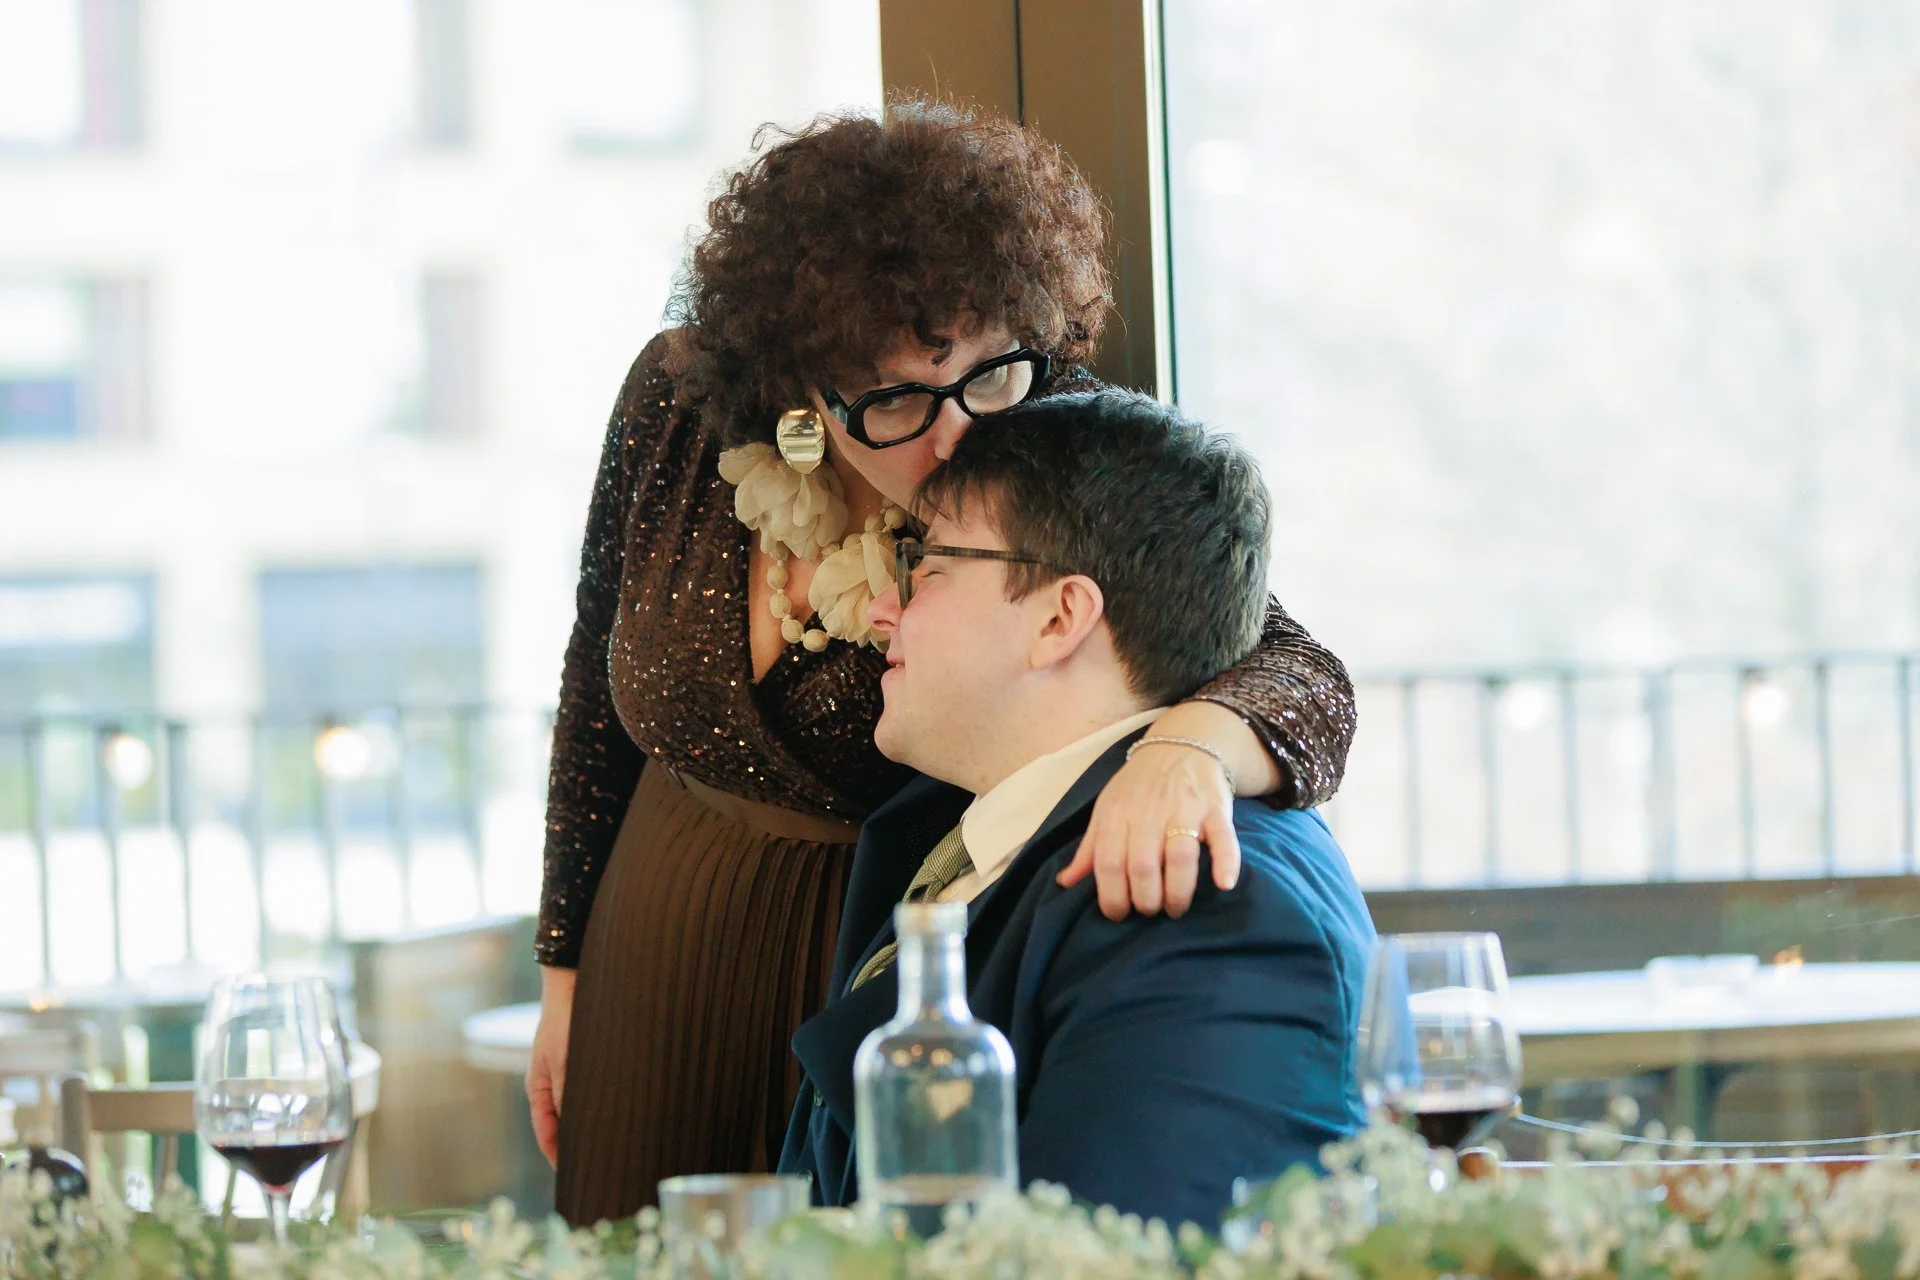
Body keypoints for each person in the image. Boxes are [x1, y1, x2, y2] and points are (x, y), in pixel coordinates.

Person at [531, 101, 1359, 1226]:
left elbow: (1282, 657)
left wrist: (1188, 749)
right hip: (663, 925)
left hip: (881, 949)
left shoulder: (1035, 442)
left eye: (989, 370)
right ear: (802, 382)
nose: (961, 431)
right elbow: (593, 682)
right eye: (902, 395)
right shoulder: (677, 405)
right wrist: (565, 975)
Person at [779, 389, 1375, 1228]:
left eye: (928, 568)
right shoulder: (964, 843)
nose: (881, 609)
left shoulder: (1193, 889)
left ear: (1060, 617)